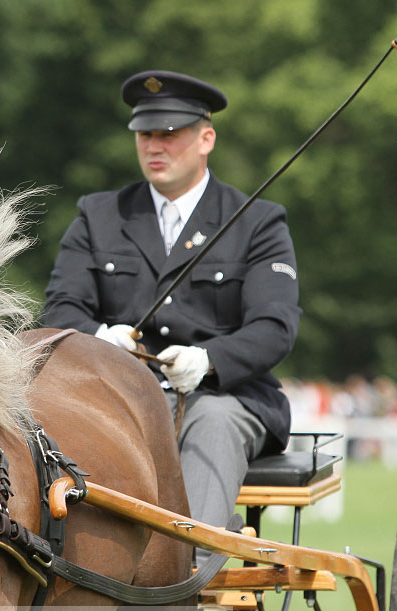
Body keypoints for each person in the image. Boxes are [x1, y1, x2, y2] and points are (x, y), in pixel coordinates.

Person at [40, 70, 301, 563]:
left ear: (206, 138)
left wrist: (210, 359)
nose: (154, 145)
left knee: (216, 422)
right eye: (145, 134)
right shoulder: (98, 216)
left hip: (219, 397)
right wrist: (99, 338)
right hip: (116, 399)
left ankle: (189, 588)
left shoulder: (257, 222)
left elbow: (275, 326)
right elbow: (59, 309)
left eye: (170, 134)